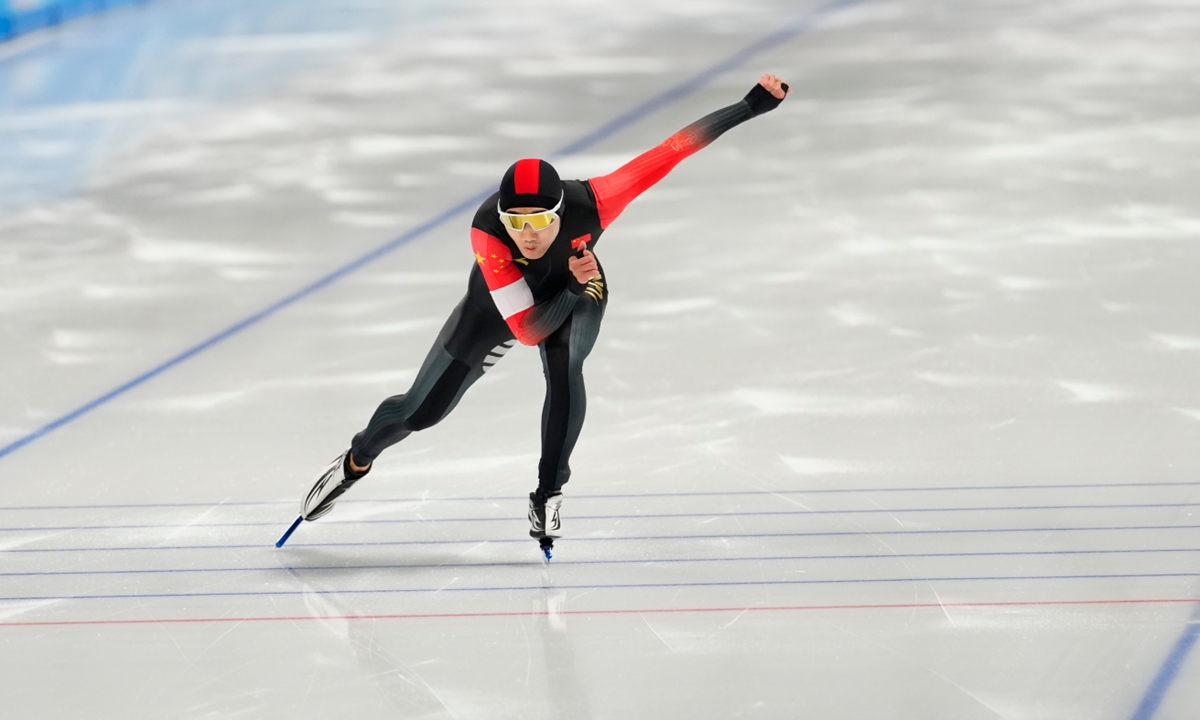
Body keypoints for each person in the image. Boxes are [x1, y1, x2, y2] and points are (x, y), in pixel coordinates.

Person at [298, 72, 792, 546]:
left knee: (565, 363)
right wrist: (569, 289)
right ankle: (356, 460)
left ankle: (548, 492)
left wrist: (750, 106)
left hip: (577, 286)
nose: (528, 233)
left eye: (539, 219)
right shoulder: (488, 235)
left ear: (560, 210)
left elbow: (674, 149)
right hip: (504, 305)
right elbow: (528, 328)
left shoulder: (600, 199)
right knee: (422, 412)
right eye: (517, 221)